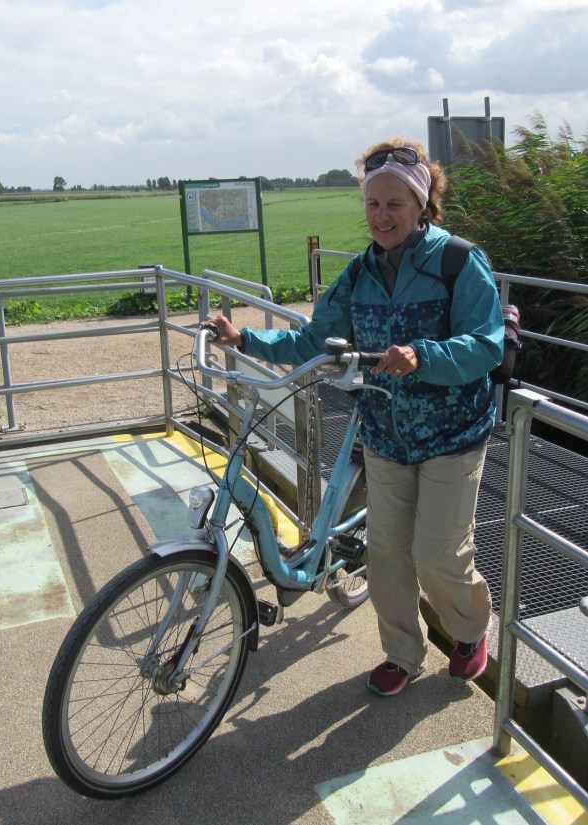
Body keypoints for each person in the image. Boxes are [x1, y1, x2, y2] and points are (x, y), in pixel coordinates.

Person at [210, 138, 504, 697]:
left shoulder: (458, 262)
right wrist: (245, 338)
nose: (382, 216)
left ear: (422, 205)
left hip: (453, 435)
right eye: (373, 203)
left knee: (438, 553)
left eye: (395, 204)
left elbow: (486, 344)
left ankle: (469, 631)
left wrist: (423, 355)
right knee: (386, 553)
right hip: (385, 434)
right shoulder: (358, 273)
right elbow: (314, 340)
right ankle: (402, 653)